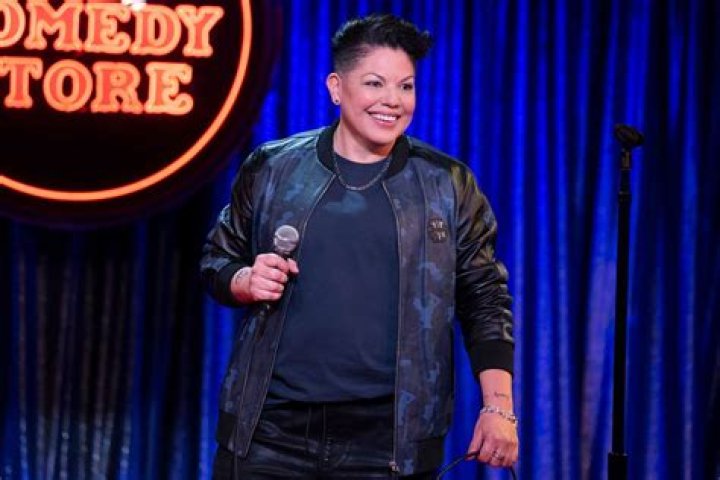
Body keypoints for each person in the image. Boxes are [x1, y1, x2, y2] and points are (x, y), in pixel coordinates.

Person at [200, 13, 518, 479]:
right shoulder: (273, 169)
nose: (393, 101)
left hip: (389, 441)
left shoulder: (447, 184)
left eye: (406, 87)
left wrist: (499, 407)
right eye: (375, 83)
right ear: (336, 87)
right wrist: (246, 280)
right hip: (270, 433)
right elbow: (217, 260)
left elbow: (485, 298)